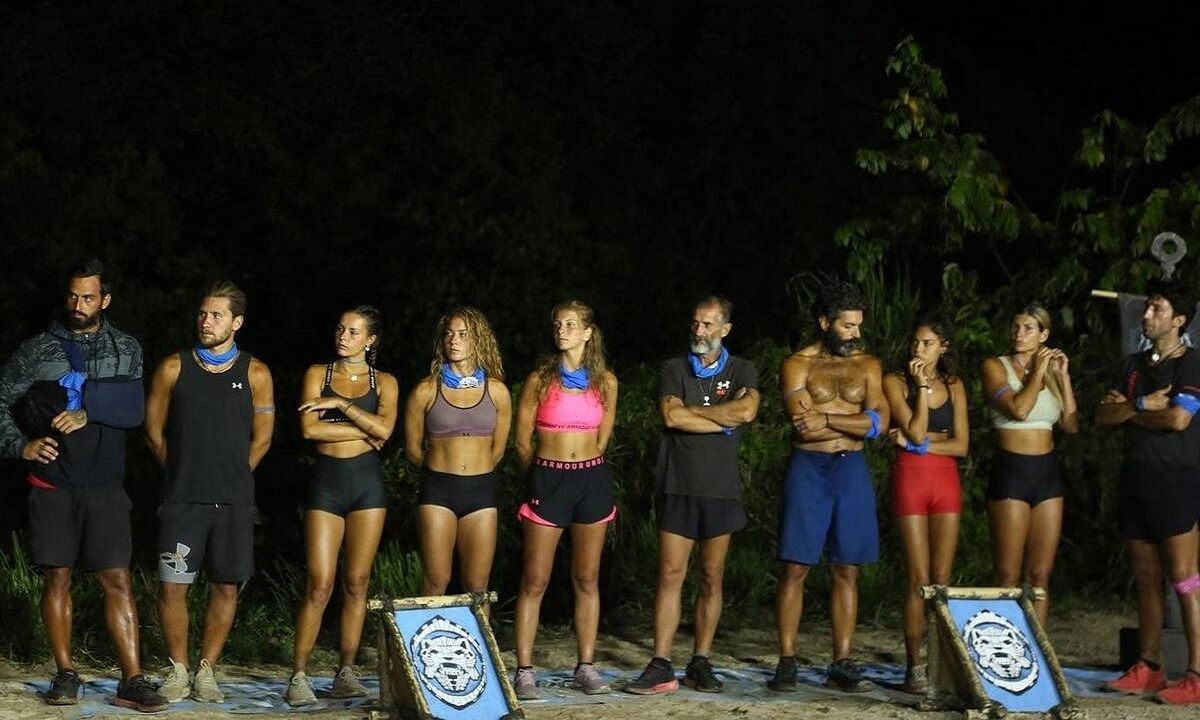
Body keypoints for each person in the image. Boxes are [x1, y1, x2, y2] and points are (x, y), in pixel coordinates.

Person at [0, 260, 165, 712]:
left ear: (105, 300)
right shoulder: (36, 350)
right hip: (52, 481)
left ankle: (132, 679)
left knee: (117, 577)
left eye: (88, 297)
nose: (78, 304)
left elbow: (133, 410)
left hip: (105, 483)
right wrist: (20, 445)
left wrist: (90, 410)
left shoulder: (126, 347)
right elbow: (1, 399)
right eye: (73, 296)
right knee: (58, 576)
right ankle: (66, 673)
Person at [145, 280, 275, 703]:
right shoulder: (173, 367)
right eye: (203, 313)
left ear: (237, 322)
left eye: (216, 315)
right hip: (183, 498)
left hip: (234, 501)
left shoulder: (256, 373)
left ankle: (206, 671)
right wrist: (180, 471)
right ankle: (178, 670)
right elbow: (153, 430)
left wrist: (235, 474)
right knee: (172, 586)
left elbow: (263, 437)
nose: (206, 321)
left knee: (226, 587)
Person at [626, 296, 760, 695]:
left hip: (720, 488)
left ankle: (700, 661)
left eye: (707, 324)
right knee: (670, 574)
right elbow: (671, 416)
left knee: (711, 576)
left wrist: (696, 413)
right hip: (678, 484)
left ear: (725, 329)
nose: (699, 331)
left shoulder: (742, 369)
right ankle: (661, 663)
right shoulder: (673, 368)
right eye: (695, 323)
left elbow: (746, 413)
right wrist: (723, 419)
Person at [769, 277, 889, 693]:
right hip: (809, 467)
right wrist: (853, 423)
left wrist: (828, 419)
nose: (855, 333)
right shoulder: (797, 364)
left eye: (858, 325)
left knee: (847, 568)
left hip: (850, 468)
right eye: (847, 325)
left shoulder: (868, 365)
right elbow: (803, 427)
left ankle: (842, 660)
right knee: (795, 566)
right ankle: (787, 659)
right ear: (825, 322)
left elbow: (879, 424)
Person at [285, 306, 399, 707]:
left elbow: (386, 429)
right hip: (327, 485)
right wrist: (364, 429)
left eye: (353, 332)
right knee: (320, 582)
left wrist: (340, 406)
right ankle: (299, 674)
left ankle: (346, 672)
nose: (343, 336)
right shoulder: (319, 374)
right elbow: (309, 429)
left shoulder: (385, 381)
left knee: (357, 582)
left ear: (371, 340)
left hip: (367, 487)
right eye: (340, 329)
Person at [1097, 284, 1200, 705]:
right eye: (1148, 307)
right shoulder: (1133, 365)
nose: (1147, 314)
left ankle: (1196, 673)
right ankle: (1149, 666)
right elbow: (1103, 415)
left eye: (1158, 308)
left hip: (1176, 479)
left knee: (1185, 579)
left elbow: (1177, 419)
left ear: (1179, 320)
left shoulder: (1192, 363)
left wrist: (1130, 412)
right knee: (1145, 578)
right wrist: (1141, 405)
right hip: (1135, 478)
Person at [511, 300, 619, 701]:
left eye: (571, 325)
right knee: (535, 579)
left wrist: (581, 466)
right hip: (549, 479)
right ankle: (525, 670)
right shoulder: (540, 379)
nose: (562, 330)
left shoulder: (606, 382)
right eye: (557, 324)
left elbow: (603, 439)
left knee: (587, 578)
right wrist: (544, 472)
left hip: (591, 480)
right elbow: (521, 440)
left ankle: (585, 666)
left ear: (588, 332)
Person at [882, 317, 969, 694]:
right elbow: (916, 429)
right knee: (918, 579)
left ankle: (941, 662)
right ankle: (914, 666)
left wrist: (916, 445)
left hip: (944, 480)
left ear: (943, 347)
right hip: (911, 479)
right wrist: (919, 388)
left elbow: (961, 445)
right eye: (915, 343)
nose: (918, 350)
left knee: (942, 580)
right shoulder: (895, 381)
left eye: (928, 344)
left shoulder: (954, 385)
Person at [980, 304, 1077, 626]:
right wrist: (1037, 372)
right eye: (1016, 327)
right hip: (1012, 471)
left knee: (1039, 575)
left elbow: (1070, 425)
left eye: (1028, 328)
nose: (1019, 334)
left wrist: (1062, 377)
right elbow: (1018, 410)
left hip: (1047, 473)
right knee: (1007, 575)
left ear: (1044, 335)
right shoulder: (995, 366)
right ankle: (1002, 644)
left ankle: (1037, 648)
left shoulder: (1049, 372)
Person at [404, 308, 511, 597]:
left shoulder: (497, 391)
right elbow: (413, 449)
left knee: (477, 586)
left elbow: (498, 450)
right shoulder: (425, 390)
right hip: (438, 490)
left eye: (463, 334)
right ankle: (429, 629)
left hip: (480, 491)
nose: (454, 340)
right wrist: (438, 470)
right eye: (449, 333)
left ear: (479, 339)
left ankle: (479, 630)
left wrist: (475, 467)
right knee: (436, 580)